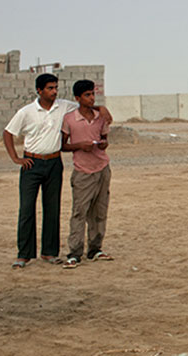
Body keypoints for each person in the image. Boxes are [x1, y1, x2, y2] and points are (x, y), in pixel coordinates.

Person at [3, 73, 112, 269]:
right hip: (32, 163)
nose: (54, 91)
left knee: (52, 208)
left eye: (55, 88)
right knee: (27, 209)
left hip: (54, 163)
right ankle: (24, 255)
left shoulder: (63, 106)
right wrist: (16, 158)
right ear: (39, 90)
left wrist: (101, 108)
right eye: (50, 88)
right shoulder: (27, 112)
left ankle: (49, 252)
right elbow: (8, 133)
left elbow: (84, 104)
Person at [61, 80, 114, 269]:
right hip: (83, 171)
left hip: (102, 168)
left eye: (93, 94)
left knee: (99, 211)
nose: (91, 98)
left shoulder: (100, 117)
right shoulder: (69, 119)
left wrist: (103, 144)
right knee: (79, 212)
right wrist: (79, 146)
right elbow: (63, 145)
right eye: (87, 95)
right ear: (78, 98)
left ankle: (95, 249)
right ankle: (75, 253)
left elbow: (105, 139)